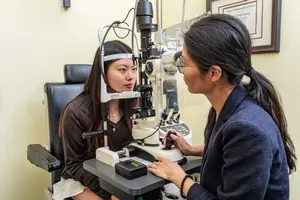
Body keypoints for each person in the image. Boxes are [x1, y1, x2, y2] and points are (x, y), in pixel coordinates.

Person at [148, 14, 297, 200]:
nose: (181, 69)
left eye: (184, 63)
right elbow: (229, 149)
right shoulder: (231, 105)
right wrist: (191, 149)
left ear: (213, 73)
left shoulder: (247, 128)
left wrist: (178, 177)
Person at [52, 40, 161, 200]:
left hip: (122, 174)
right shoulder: (76, 111)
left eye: (134, 69)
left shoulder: (133, 103)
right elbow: (74, 166)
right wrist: (110, 191)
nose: (131, 76)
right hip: (83, 179)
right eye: (122, 70)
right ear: (103, 72)